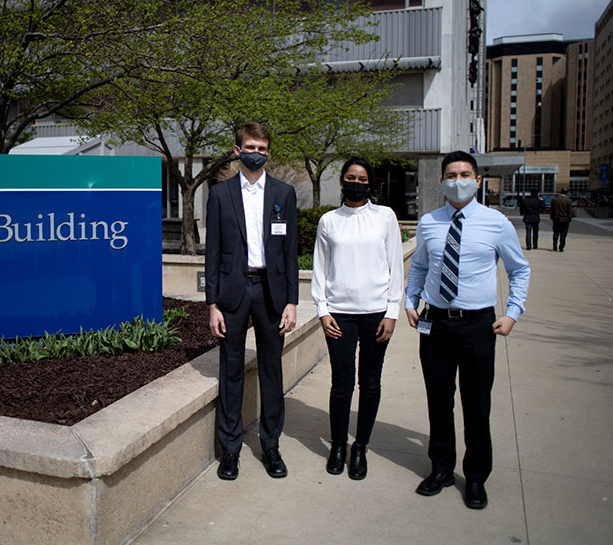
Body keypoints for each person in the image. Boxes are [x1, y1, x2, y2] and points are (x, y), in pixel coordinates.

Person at [404, 150, 530, 510]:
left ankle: (475, 476)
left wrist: (513, 313)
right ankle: (441, 468)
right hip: (437, 324)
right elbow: (420, 267)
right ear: (441, 180)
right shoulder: (429, 222)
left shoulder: (496, 223)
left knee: (477, 405)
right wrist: (411, 301)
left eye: (464, 174)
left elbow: (519, 270)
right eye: (451, 175)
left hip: (478, 325)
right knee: (438, 402)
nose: (457, 181)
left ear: (477, 181)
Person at [205, 122, 299, 480]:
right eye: (250, 146)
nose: (255, 153)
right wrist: (212, 304)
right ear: (236, 149)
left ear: (268, 152)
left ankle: (270, 446)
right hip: (233, 291)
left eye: (261, 148)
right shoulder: (220, 194)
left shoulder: (284, 193)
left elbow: (290, 252)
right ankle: (230, 450)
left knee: (272, 372)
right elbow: (211, 252)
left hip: (272, 293)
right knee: (231, 372)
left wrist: (292, 301)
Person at [311, 158, 403, 479]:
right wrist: (322, 310)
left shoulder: (385, 217)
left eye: (362, 178)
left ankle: (359, 446)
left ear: (370, 183)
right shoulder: (329, 221)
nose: (356, 182)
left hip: (377, 314)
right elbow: (320, 269)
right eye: (350, 177)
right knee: (341, 383)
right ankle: (338, 445)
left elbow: (395, 266)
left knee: (371, 382)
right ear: (341, 182)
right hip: (339, 316)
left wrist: (392, 312)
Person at [550, 187, 573, 252]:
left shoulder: (554, 200)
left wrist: (552, 217)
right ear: (567, 192)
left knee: (556, 233)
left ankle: (555, 245)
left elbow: (552, 210)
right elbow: (570, 211)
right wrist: (570, 218)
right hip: (565, 219)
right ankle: (561, 247)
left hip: (556, 219)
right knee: (563, 234)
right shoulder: (568, 201)